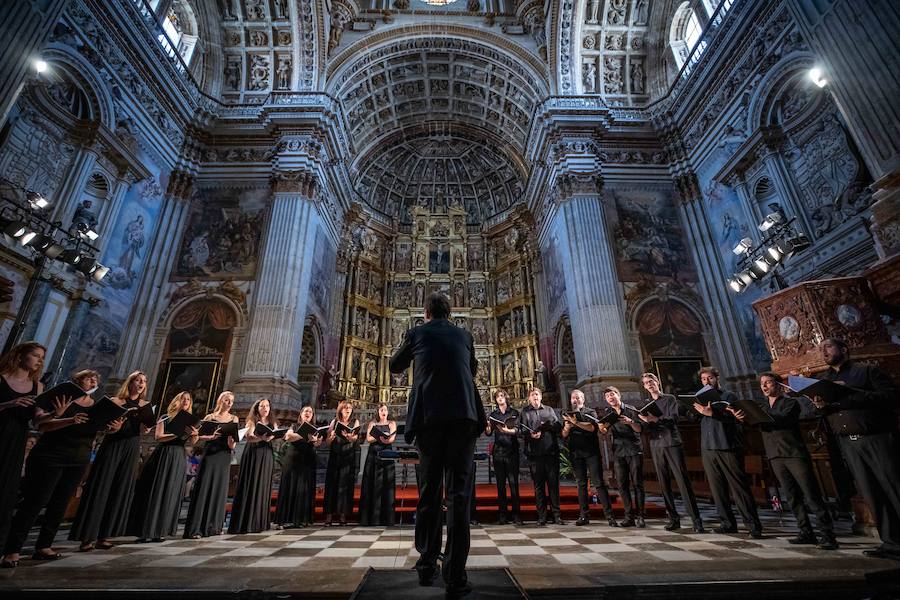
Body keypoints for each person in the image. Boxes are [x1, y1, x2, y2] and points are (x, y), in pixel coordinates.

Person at [389, 292, 483, 598]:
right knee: (459, 496)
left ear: (426, 313)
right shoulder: (465, 335)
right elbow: (473, 369)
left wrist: (413, 343)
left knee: (429, 493)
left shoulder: (417, 332)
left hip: (430, 419)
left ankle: (427, 565)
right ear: (450, 313)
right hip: (463, 419)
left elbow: (394, 365)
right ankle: (456, 575)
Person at [812, 338, 899, 560]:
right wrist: (822, 407)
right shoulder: (825, 380)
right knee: (871, 492)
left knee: (894, 487)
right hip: (847, 442)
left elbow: (890, 396)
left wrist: (849, 392)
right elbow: (832, 410)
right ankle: (891, 542)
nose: (824, 351)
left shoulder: (866, 371)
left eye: (828, 347)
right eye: (821, 349)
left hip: (876, 438)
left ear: (843, 349)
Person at [2, 370, 99, 566]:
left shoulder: (94, 405)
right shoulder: (60, 398)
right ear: (76, 381)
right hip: (52, 454)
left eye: (96, 380)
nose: (93, 382)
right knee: (35, 501)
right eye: (88, 378)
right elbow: (41, 425)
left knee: (60, 503)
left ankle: (44, 545)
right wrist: (63, 417)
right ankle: (12, 550)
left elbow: (92, 430)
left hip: (79, 456)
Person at [733, 372, 837, 549]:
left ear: (779, 385)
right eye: (762, 384)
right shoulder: (763, 407)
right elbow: (756, 424)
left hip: (793, 453)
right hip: (775, 454)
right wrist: (743, 418)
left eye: (768, 383)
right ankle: (806, 531)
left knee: (811, 495)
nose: (765, 386)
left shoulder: (790, 403)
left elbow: (780, 420)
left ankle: (827, 534)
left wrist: (757, 417)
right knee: (791, 496)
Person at [70, 371, 150, 551]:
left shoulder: (145, 406)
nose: (141, 384)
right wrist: (113, 428)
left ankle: (105, 535)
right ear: (129, 383)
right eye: (138, 380)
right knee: (101, 486)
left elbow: (143, 428)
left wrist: (145, 430)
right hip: (113, 445)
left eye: (144, 381)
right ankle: (87, 536)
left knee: (120, 488)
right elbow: (99, 426)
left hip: (132, 446)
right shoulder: (115, 402)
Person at [693, 366, 762, 538]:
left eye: (710, 378)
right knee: (717, 489)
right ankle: (727, 523)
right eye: (703, 379)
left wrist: (711, 414)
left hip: (727, 446)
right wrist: (696, 411)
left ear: (717, 378)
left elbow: (736, 420)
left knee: (739, 488)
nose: (707, 381)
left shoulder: (728, 396)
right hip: (708, 447)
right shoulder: (700, 399)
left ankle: (753, 525)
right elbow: (693, 417)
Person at [637, 372, 704, 532]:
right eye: (646, 383)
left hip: (672, 442)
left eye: (651, 381)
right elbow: (646, 428)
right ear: (645, 387)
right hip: (656, 445)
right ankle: (673, 519)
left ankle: (696, 520)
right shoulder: (646, 404)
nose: (649, 384)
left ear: (657, 382)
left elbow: (673, 418)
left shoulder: (669, 399)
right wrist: (644, 422)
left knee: (682, 481)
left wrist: (655, 420)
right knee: (663, 483)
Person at [129, 391, 199, 542]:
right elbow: (158, 437)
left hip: (178, 457)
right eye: (183, 399)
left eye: (188, 399)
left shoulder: (189, 421)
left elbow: (192, 443)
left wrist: (194, 435)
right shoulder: (165, 417)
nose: (186, 401)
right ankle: (145, 530)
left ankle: (160, 529)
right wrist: (176, 434)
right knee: (156, 490)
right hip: (164, 455)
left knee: (170, 492)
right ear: (176, 401)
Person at [0, 342, 45, 554]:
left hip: (16, 440)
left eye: (41, 357)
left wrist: (57, 413)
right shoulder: (1, 378)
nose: (39, 361)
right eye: (35, 355)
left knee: (6, 492)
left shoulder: (38, 386)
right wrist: (9, 404)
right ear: (20, 356)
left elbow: (38, 421)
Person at [183, 391, 239, 538]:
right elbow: (197, 437)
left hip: (224, 455)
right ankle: (197, 528)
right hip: (210, 454)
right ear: (221, 401)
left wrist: (232, 445)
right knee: (204, 487)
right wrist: (211, 437)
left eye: (231, 401)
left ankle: (214, 526)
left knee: (220, 490)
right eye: (227, 400)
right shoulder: (210, 417)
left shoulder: (234, 419)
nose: (229, 403)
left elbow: (234, 443)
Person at [562, 389, 617, 527]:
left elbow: (592, 428)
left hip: (591, 452)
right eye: (574, 398)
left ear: (583, 399)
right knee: (580, 484)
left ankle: (609, 515)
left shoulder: (590, 412)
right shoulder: (567, 414)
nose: (576, 399)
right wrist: (567, 427)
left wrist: (575, 423)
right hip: (576, 453)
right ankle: (584, 516)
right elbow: (563, 434)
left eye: (579, 397)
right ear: (571, 400)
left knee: (598, 483)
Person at [228, 398, 277, 534]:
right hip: (254, 453)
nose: (265, 408)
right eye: (262, 406)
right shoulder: (252, 420)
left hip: (266, 453)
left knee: (263, 485)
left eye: (267, 405)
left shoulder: (272, 421)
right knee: (252, 483)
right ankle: (248, 522)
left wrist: (273, 436)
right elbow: (249, 436)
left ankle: (259, 522)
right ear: (257, 408)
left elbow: (277, 432)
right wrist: (262, 438)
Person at [599, 387, 645, 527]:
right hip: (618, 451)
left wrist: (631, 422)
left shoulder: (631, 410)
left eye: (612, 394)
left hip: (634, 449)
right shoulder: (608, 413)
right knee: (622, 485)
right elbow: (604, 433)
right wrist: (603, 429)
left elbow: (640, 429)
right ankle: (628, 516)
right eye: (607, 396)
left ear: (619, 395)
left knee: (637, 483)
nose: (610, 397)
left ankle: (641, 516)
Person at [521, 387, 565, 527]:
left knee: (553, 485)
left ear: (541, 397)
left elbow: (558, 427)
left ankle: (556, 515)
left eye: (537, 395)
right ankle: (542, 516)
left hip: (550, 451)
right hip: (535, 454)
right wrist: (530, 434)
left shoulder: (549, 410)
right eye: (532, 395)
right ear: (529, 398)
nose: (535, 397)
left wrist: (546, 427)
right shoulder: (525, 412)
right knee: (538, 487)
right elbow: (522, 430)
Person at [275, 405, 322, 529]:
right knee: (290, 486)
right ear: (300, 414)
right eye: (305, 411)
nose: (308, 413)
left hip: (307, 460)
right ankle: (286, 519)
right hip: (293, 459)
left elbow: (317, 443)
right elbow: (288, 437)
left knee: (304, 488)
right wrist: (305, 435)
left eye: (310, 412)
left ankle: (301, 518)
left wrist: (316, 441)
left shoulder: (315, 428)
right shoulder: (294, 426)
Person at [485, 389, 522, 525]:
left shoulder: (513, 413)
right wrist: (488, 426)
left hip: (512, 451)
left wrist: (508, 431)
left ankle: (517, 514)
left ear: (506, 398)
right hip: (498, 452)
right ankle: (502, 515)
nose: (499, 398)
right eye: (497, 397)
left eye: (501, 396)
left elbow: (518, 430)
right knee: (500, 485)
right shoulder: (493, 414)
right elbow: (488, 433)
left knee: (513, 484)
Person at [358, 403, 397, 526]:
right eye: (381, 410)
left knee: (386, 483)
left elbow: (392, 439)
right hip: (373, 455)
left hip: (386, 453)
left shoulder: (392, 423)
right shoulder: (372, 424)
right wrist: (378, 437)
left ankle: (386, 518)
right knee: (373, 483)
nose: (383, 412)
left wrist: (386, 439)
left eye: (385, 409)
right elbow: (369, 439)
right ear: (378, 412)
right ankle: (371, 518)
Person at [323, 400, 360, 526]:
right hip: (335, 455)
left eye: (349, 408)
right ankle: (329, 516)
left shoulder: (355, 422)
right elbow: (327, 441)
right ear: (340, 410)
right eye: (345, 408)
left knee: (345, 485)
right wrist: (331, 437)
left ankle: (343, 515)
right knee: (332, 484)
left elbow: (355, 438)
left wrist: (350, 437)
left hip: (348, 455)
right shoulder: (334, 422)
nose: (347, 410)